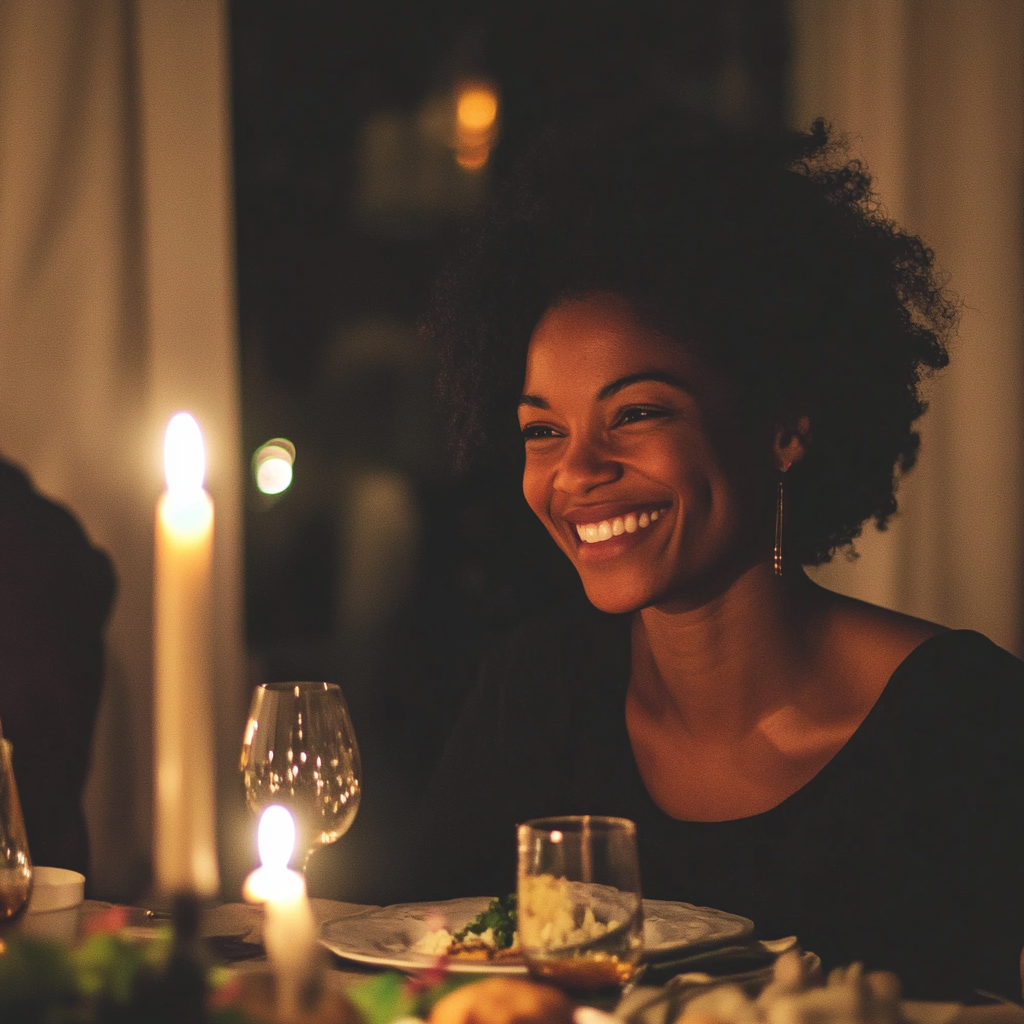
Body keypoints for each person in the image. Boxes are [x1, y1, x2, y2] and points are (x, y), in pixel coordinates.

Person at [410, 111, 1024, 1001]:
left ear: (782, 430)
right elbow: (424, 975)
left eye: (638, 413)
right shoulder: (535, 696)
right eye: (543, 430)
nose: (575, 471)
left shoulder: (964, 722)